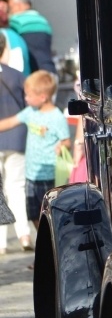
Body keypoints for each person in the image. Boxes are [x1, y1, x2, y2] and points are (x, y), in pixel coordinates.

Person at [0, 70, 70, 230]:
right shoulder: (30, 112)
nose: (25, 98)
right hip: (31, 174)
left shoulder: (57, 117)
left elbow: (66, 141)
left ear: (43, 97)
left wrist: (62, 146)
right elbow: (11, 122)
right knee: (33, 213)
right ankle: (43, 237)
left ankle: (52, 241)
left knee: (50, 213)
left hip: (49, 175)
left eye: (28, 95)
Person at [0, 32, 31, 251]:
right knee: (16, 188)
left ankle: (0, 243)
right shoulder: (17, 76)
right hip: (17, 137)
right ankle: (24, 235)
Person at [8, 0, 56, 75]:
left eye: (11, 7)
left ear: (20, 6)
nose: (10, 11)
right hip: (48, 70)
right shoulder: (42, 20)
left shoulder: (15, 20)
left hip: (31, 75)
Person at [0, 0, 31, 74]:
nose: (2, 5)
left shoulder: (8, 36)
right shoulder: (15, 36)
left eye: (4, 2)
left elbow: (17, 69)